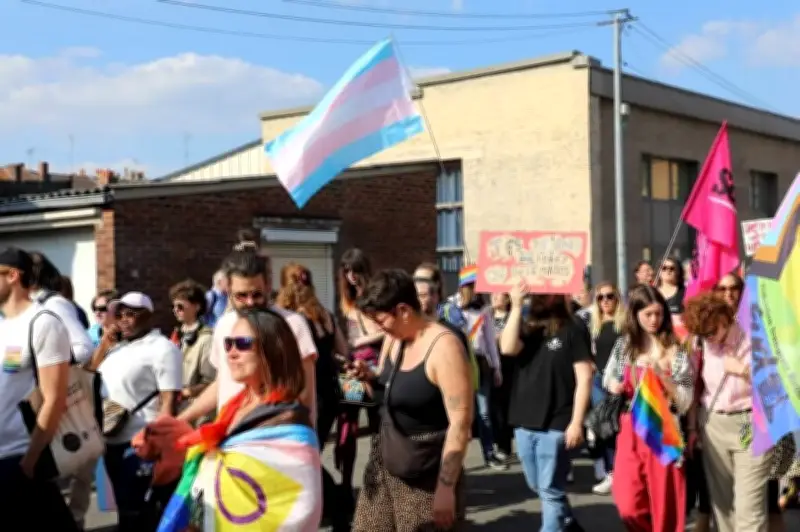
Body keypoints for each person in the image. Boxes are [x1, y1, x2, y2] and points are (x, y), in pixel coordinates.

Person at [348, 269, 473, 531]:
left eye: (380, 319)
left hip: (425, 475)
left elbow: (461, 423)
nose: (377, 327)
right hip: (386, 461)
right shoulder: (394, 340)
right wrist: (367, 378)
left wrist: (446, 488)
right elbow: (385, 395)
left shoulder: (445, 348)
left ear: (403, 310)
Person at [176, 250, 318, 426]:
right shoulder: (224, 325)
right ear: (228, 291)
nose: (250, 302)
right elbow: (222, 383)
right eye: (241, 296)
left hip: (277, 438)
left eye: (257, 294)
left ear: (268, 287)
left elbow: (304, 394)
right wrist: (180, 419)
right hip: (231, 440)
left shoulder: (292, 324)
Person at [500, 284, 592, 532]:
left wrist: (576, 422)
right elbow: (507, 348)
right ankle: (569, 522)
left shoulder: (574, 327)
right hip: (524, 418)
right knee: (538, 485)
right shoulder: (527, 324)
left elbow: (584, 378)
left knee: (549, 490)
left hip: (557, 420)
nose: (542, 295)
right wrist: (517, 306)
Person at [0, 247, 79, 531]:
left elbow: (54, 398)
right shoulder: (3, 325)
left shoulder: (42, 322)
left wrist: (29, 462)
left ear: (12, 275)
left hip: (19, 458)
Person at [603, 284, 694, 532]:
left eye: (659, 314)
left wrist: (662, 377)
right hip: (630, 430)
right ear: (636, 314)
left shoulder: (675, 349)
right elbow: (608, 377)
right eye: (648, 314)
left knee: (665, 508)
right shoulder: (625, 346)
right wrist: (614, 384)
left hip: (663, 431)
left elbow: (686, 399)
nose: (654, 320)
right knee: (628, 504)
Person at [90, 292, 183, 532]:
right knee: (124, 507)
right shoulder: (116, 348)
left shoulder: (162, 349)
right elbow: (88, 376)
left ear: (148, 316)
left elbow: (169, 399)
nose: (123, 319)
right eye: (119, 314)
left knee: (139, 511)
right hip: (111, 439)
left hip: (141, 442)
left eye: (130, 314)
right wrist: (103, 346)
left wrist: (162, 446)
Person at [275, 262, 353, 531]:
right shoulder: (326, 315)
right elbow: (344, 349)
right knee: (309, 454)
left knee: (305, 456)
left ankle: (338, 506)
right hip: (331, 393)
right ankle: (327, 507)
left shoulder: (292, 321)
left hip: (308, 394)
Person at [684, 292, 770, 532]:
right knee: (723, 509)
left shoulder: (753, 336)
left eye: (712, 332)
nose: (709, 339)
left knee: (749, 511)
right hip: (714, 423)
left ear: (725, 318)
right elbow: (693, 386)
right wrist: (692, 428)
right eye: (703, 335)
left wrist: (743, 370)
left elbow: (775, 383)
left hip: (750, 423)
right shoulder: (700, 343)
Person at [28, 251, 95, 528]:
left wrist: (46, 362)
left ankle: (75, 519)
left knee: (68, 462)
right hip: (25, 400)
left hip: (52, 397)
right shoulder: (18, 310)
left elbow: (83, 348)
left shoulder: (54, 304)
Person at [446, 267, 505, 470]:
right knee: (458, 413)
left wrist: (496, 367)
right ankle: (455, 459)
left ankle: (489, 454)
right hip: (456, 363)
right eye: (474, 287)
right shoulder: (450, 307)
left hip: (480, 363)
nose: (478, 291)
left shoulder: (484, 311)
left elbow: (489, 341)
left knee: (484, 412)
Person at [336, 248, 383, 494]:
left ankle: (377, 476)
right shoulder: (348, 300)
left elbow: (386, 330)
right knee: (348, 422)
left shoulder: (377, 297)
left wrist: (360, 341)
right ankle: (346, 481)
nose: (352, 276)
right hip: (353, 367)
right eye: (347, 271)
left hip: (375, 366)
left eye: (356, 270)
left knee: (377, 422)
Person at [587, 281, 625, 496]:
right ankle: (610, 472)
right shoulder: (595, 324)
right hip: (598, 379)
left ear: (617, 298)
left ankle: (618, 472)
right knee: (602, 427)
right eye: (600, 298)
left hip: (619, 380)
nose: (605, 301)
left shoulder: (624, 323)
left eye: (610, 296)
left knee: (616, 427)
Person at [168, 280, 215, 426]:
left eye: (180, 306)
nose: (176, 310)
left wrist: (188, 392)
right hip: (175, 408)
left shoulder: (207, 339)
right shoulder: (176, 336)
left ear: (196, 307)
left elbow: (211, 382)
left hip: (197, 415)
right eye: (174, 306)